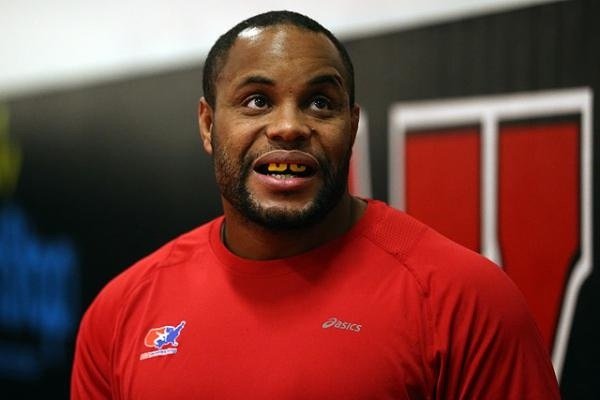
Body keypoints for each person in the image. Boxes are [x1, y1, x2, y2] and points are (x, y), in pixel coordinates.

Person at [71, 10, 561, 399]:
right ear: (207, 124)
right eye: (257, 100)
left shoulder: (466, 301)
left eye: (320, 103)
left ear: (352, 125)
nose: (289, 127)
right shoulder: (120, 312)